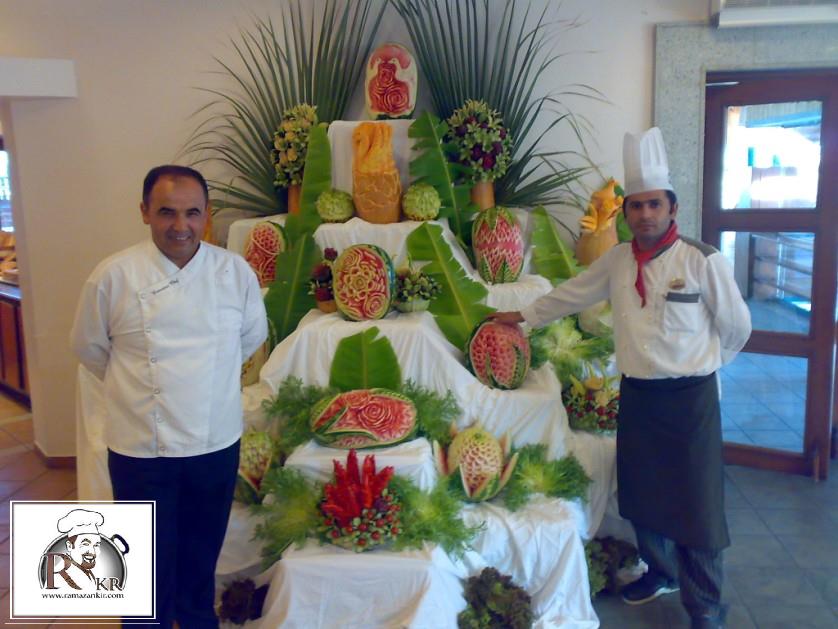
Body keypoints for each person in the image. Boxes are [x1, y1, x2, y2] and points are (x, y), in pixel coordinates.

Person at [491, 128, 751, 629]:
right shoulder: (616, 260)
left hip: (691, 399)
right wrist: (520, 316)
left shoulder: (702, 260)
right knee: (642, 495)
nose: (646, 214)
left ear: (672, 208)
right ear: (626, 212)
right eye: (637, 206)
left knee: (698, 507)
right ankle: (661, 572)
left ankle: (705, 606)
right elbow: (571, 294)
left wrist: (706, 366)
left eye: (655, 204)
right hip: (638, 396)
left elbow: (737, 327)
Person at [70, 165, 268, 628]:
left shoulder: (234, 272)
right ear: (144, 212)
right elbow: (90, 349)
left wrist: (210, 381)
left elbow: (249, 338)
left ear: (206, 214)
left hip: (214, 443)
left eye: (192, 213)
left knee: (200, 561)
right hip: (141, 446)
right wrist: (139, 390)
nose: (181, 226)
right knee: (143, 571)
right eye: (166, 212)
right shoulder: (113, 276)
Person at [51, 509, 103, 591]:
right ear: (70, 546)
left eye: (96, 545)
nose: (92, 552)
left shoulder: (88, 573)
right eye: (85, 544)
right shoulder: (58, 578)